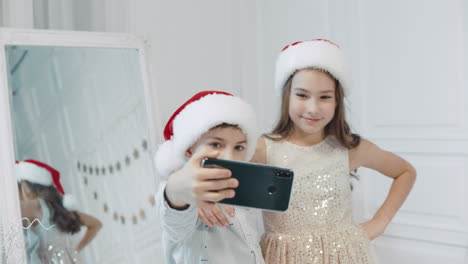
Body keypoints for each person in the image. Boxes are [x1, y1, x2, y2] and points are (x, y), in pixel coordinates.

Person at [154, 90, 264, 264]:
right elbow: (174, 218)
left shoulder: (247, 193)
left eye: (239, 147)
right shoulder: (184, 196)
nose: (229, 156)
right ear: (189, 150)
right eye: (216, 144)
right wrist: (181, 192)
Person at [16, 159, 102, 263]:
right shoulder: (61, 208)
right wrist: (75, 251)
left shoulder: (34, 206)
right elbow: (96, 224)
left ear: (25, 185)